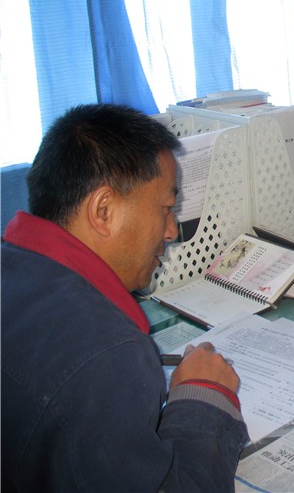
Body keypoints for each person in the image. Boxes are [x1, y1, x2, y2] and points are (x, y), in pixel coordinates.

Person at [1, 104, 249, 491]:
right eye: (166, 209)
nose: (171, 232)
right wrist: (204, 397)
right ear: (103, 210)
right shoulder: (108, 354)